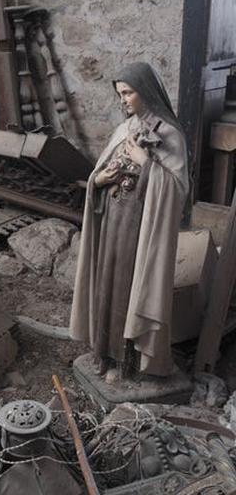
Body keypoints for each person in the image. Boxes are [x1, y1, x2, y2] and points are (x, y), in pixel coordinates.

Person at [69, 62, 189, 382]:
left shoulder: (170, 134)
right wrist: (100, 179)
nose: (122, 100)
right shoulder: (125, 128)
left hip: (142, 230)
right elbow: (101, 171)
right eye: (120, 93)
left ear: (145, 92)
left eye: (128, 92)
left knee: (128, 291)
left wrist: (145, 163)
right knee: (107, 285)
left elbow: (177, 190)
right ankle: (103, 355)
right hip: (112, 220)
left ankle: (128, 366)